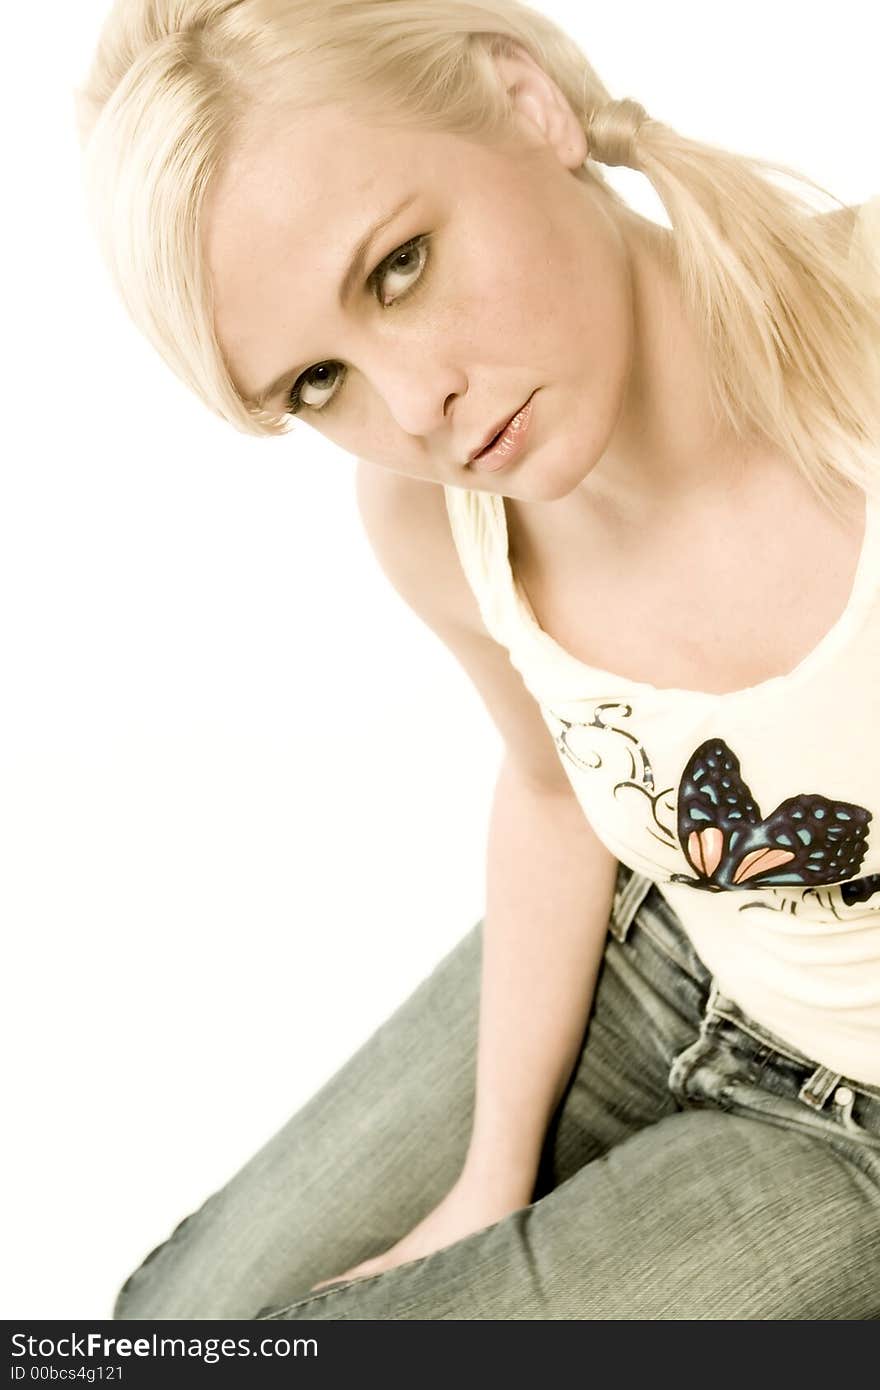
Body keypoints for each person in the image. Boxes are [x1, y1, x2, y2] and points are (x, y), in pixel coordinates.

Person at [75, 0, 880, 1320]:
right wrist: (489, 1172)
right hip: (658, 945)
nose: (410, 409)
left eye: (397, 268)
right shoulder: (429, 521)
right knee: (168, 1331)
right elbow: (557, 787)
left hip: (864, 1135)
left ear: (526, 102)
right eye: (318, 381)